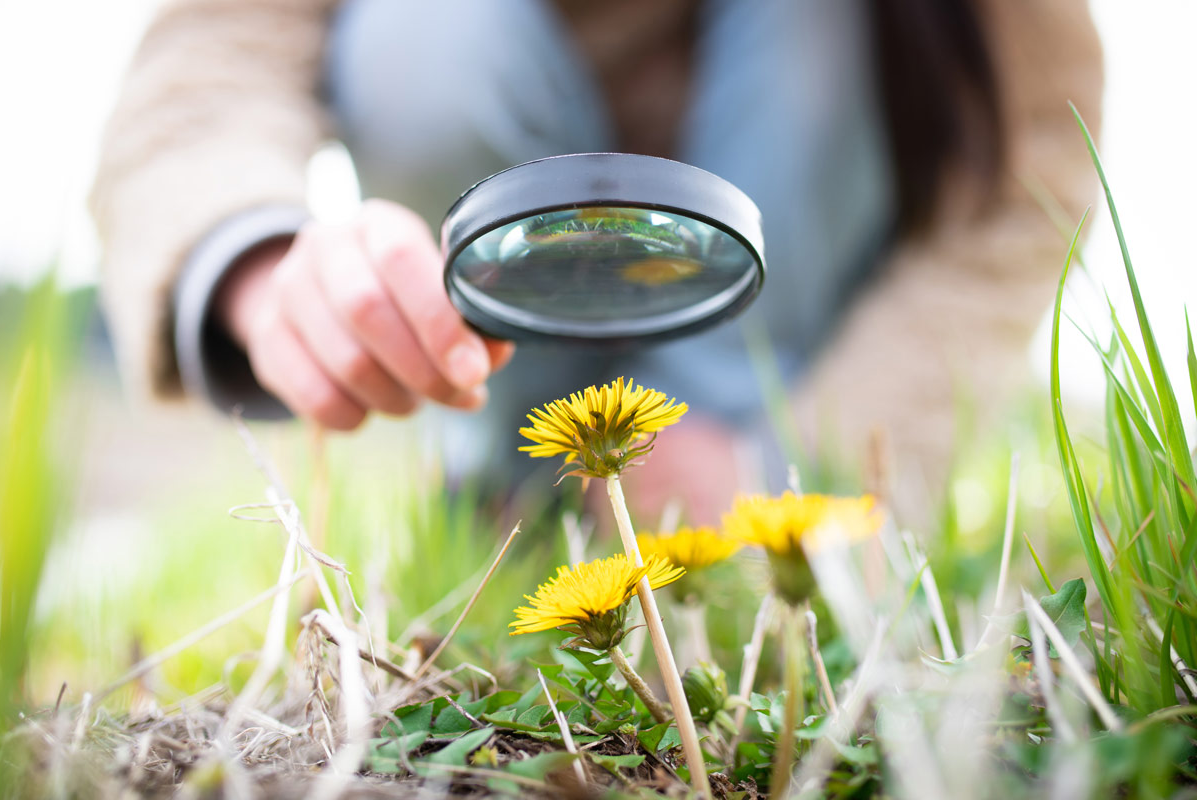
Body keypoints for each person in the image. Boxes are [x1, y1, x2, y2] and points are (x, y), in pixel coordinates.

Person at [90, 0, 1103, 524]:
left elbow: (1035, 158)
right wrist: (265, 263)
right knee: (416, 33)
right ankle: (513, 493)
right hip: (492, 319)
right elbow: (203, 73)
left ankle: (726, 511)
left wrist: (808, 455)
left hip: (788, 344)